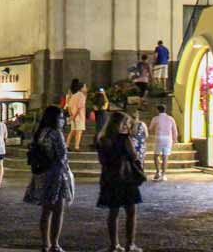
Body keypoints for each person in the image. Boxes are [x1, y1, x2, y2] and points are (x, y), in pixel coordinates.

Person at [24, 105, 73, 252]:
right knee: (58, 211)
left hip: (42, 173)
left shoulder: (41, 132)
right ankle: (55, 244)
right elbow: (62, 155)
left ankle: (45, 244)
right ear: (55, 118)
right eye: (61, 117)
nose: (63, 120)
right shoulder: (56, 133)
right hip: (55, 174)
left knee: (46, 211)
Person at [97, 110, 144, 252]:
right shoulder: (123, 138)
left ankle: (114, 245)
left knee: (113, 212)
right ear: (121, 124)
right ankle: (130, 244)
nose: (128, 126)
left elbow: (102, 160)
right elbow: (134, 156)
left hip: (109, 178)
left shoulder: (102, 139)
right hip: (125, 178)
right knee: (131, 211)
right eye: (127, 123)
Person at [148, 105, 178, 181]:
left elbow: (150, 128)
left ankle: (158, 172)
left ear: (158, 110)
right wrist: (175, 139)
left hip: (159, 138)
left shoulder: (155, 118)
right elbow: (174, 130)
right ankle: (164, 175)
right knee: (165, 157)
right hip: (168, 139)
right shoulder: (171, 118)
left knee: (156, 156)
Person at [66, 82, 87, 151]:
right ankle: (76, 146)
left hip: (73, 116)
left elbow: (68, 106)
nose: (86, 88)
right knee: (79, 132)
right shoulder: (81, 96)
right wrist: (74, 116)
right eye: (85, 87)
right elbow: (79, 108)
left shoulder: (73, 96)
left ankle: (67, 145)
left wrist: (71, 115)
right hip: (79, 116)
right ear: (81, 88)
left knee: (72, 131)